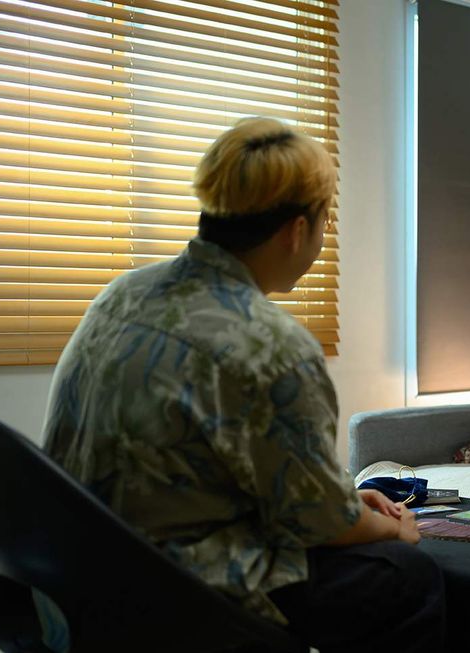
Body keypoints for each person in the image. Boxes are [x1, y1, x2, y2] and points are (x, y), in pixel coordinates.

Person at [42, 117, 445, 651]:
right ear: (297, 230)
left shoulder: (119, 296)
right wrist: (392, 528)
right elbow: (324, 526)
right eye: (325, 224)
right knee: (408, 576)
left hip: (68, 583)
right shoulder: (271, 344)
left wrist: (348, 502)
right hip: (174, 604)